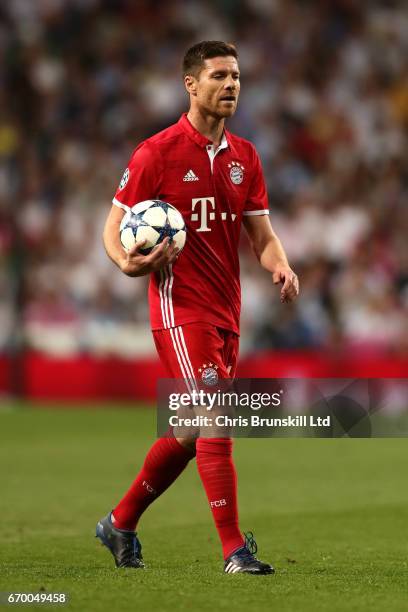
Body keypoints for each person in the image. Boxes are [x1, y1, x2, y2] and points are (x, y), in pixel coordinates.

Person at [97, 41, 299, 575]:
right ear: (191, 84)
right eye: (219, 76)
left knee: (189, 432)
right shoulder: (155, 153)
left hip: (227, 312)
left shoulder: (246, 158)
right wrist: (126, 264)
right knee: (217, 414)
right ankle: (234, 550)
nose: (231, 85)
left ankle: (120, 522)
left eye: (236, 76)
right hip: (179, 309)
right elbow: (112, 230)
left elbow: (263, 235)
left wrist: (280, 264)